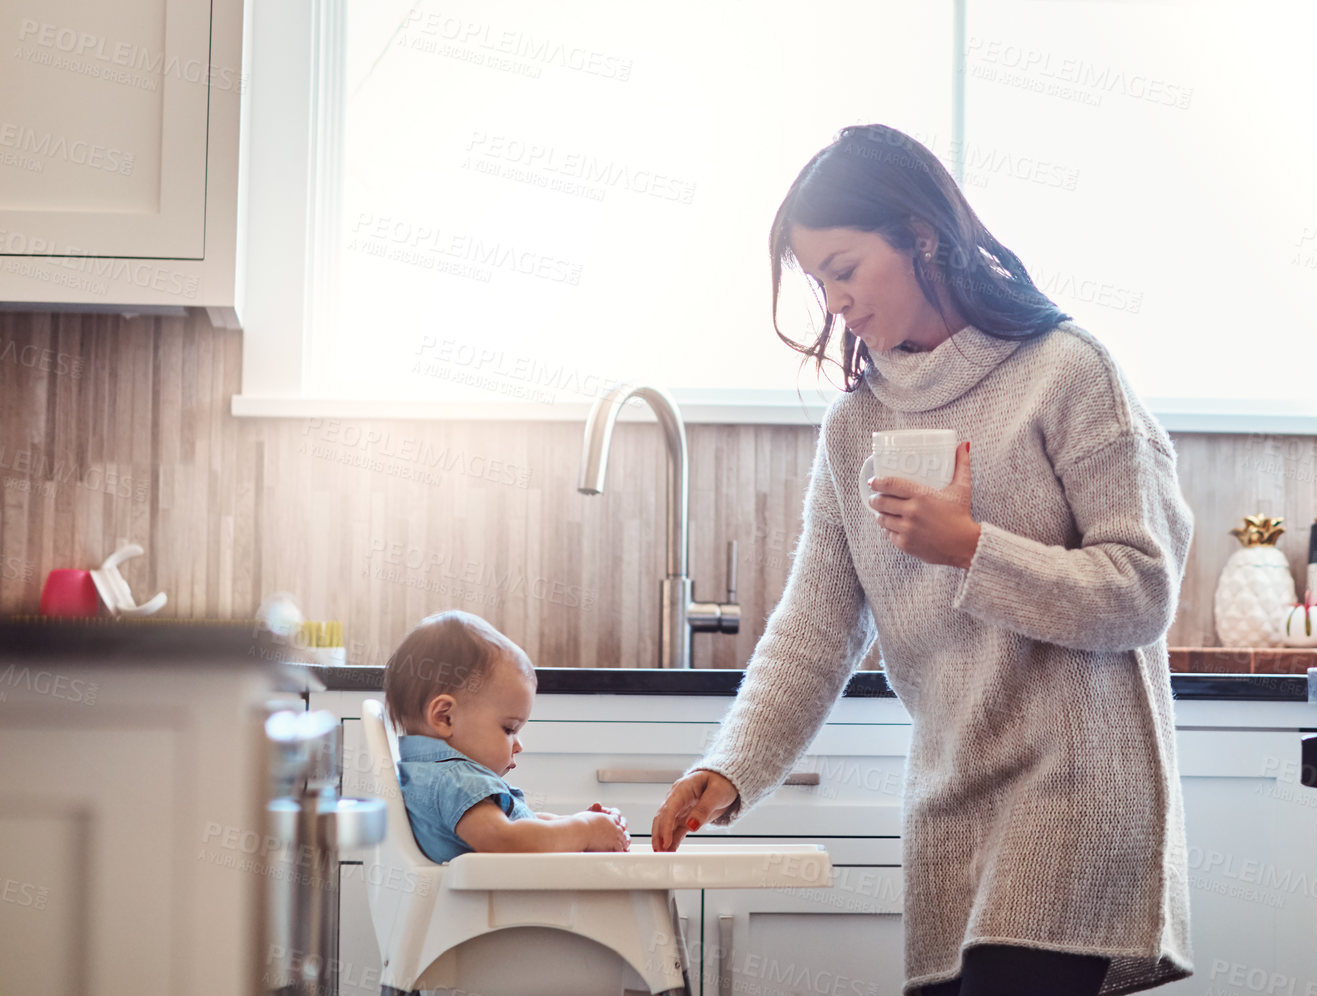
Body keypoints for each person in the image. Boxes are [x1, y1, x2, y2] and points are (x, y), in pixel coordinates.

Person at [651, 124, 1196, 996]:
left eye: (844, 267)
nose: (832, 302)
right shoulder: (856, 427)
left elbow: (1141, 590)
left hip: (1077, 794)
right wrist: (731, 767)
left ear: (922, 236)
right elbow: (815, 628)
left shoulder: (1068, 371)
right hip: (950, 802)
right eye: (816, 279)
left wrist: (971, 549)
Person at [385, 609, 630, 862]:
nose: (518, 745)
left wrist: (575, 823)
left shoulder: (427, 776)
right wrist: (585, 830)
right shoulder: (456, 778)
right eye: (509, 729)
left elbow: (522, 824)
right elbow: (506, 839)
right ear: (445, 717)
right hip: (490, 903)